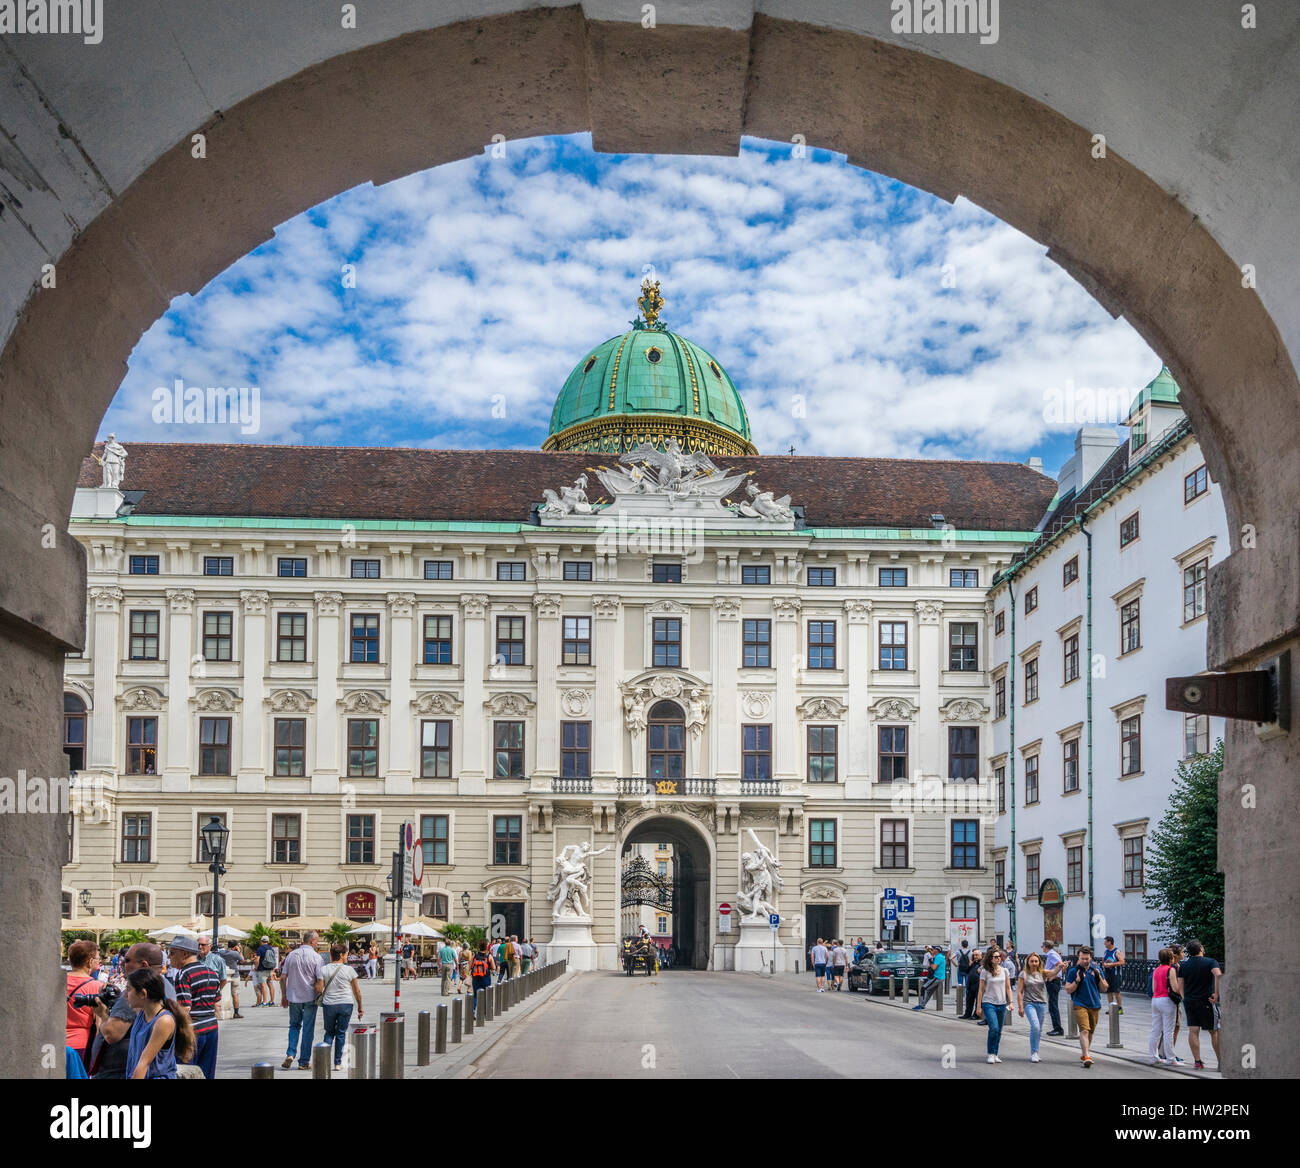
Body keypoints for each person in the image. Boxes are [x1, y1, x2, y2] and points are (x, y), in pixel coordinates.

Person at [89, 942, 177, 1078]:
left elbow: (113, 1035)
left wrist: (102, 1015)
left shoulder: (162, 1020)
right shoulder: (145, 1009)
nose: (123, 963)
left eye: (128, 960)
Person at [125, 968, 195, 1079]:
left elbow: (144, 1062)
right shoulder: (142, 1012)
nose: (125, 995)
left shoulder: (164, 1021)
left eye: (128, 989)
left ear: (143, 994)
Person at [170, 934, 222, 1079]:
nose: (169, 957)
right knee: (206, 1073)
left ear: (185, 954)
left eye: (172, 953)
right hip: (211, 1028)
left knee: (187, 1072)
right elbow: (217, 1004)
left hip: (193, 1030)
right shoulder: (211, 972)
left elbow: (185, 1008)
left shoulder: (183, 974)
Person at [280, 930, 325, 1070]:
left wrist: (284, 995)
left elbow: (282, 977)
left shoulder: (291, 955)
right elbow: (320, 979)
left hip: (293, 997)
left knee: (294, 1026)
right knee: (307, 1029)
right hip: (310, 997)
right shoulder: (317, 958)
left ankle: (290, 1053)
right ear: (312, 941)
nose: (318, 943)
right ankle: (304, 1061)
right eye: (317, 940)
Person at [1178, 939, 1222, 1070]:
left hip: (1190, 1000)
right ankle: (1221, 1062)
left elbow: (1180, 984)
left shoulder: (1184, 965)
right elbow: (1218, 975)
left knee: (1193, 1030)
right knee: (1214, 1031)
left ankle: (1197, 1062)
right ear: (1201, 948)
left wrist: (1184, 997)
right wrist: (1216, 993)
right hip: (1206, 1000)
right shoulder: (1210, 962)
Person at [319, 943, 364, 1071]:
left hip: (329, 1005)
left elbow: (319, 988)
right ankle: (337, 1063)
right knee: (340, 1033)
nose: (347, 957)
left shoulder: (324, 969)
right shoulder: (349, 970)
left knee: (329, 1032)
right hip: (346, 1004)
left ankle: (324, 1061)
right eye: (346, 954)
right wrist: (360, 1007)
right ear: (341, 955)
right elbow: (357, 992)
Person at [1063, 945, 1109, 1068]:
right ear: (1079, 957)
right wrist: (1077, 980)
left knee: (1090, 1032)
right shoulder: (1074, 971)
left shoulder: (1096, 970)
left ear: (1091, 958)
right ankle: (1087, 1055)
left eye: (1087, 958)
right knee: (1084, 1030)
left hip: (1095, 1004)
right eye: (1082, 958)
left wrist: (1099, 977)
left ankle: (1084, 1053)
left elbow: (1104, 988)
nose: (1085, 961)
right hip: (1079, 1004)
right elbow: (1068, 989)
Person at [65, 939, 103, 1071]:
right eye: (98, 959)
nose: (99, 962)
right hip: (80, 1044)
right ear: (90, 961)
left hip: (54, 1040)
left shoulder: (58, 982)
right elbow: (99, 1025)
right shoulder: (96, 987)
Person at [975, 948, 1013, 1064]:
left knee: (999, 1030)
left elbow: (1008, 987)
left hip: (1001, 1003)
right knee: (994, 1028)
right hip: (988, 1002)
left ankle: (996, 1053)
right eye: (996, 957)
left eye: (999, 956)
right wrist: (979, 1006)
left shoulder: (1005, 971)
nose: (998, 958)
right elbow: (981, 990)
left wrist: (1011, 1002)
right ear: (991, 959)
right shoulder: (985, 972)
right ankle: (990, 1053)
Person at [1016, 951, 1054, 1062]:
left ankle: (1036, 1052)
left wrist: (1060, 966)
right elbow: (1019, 992)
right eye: (1032, 961)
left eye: (1036, 961)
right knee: (1035, 1026)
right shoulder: (1023, 974)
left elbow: (1053, 972)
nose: (1034, 963)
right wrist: (1020, 1007)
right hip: (1029, 1003)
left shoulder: (1042, 973)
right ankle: (1033, 1053)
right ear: (1028, 962)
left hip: (1041, 1003)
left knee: (1039, 1029)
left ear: (1039, 962)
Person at [1148, 948, 1182, 1066]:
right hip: (1166, 1000)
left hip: (1155, 999)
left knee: (1155, 1030)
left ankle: (1153, 1057)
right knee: (1168, 1031)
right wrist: (1181, 991)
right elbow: (1174, 987)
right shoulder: (1170, 970)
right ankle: (1170, 1058)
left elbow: (1153, 988)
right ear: (1171, 958)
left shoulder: (1156, 970)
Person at [1160, 944, 1187, 1064]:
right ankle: (1170, 1054)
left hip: (1161, 998)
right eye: (1182, 952)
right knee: (1174, 1027)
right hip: (1172, 1000)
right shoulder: (1175, 967)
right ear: (1175, 955)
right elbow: (1176, 986)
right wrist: (1182, 995)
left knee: (1163, 1029)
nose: (1184, 954)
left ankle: (1160, 1052)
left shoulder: (1164, 966)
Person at [195, 935, 230, 1019]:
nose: (200, 947)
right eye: (198, 944)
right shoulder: (193, 959)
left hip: (212, 998)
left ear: (210, 946)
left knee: (212, 1023)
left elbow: (223, 979)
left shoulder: (218, 960)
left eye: (203, 945)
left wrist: (216, 991)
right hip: (195, 998)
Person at [1042, 941, 1065, 1035]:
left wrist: (1054, 976)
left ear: (1045, 947)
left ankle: (1058, 1028)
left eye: (1042, 946)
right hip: (1054, 981)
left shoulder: (1051, 954)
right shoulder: (1053, 953)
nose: (1042, 948)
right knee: (1052, 1004)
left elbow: (1060, 964)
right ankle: (1056, 1027)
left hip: (1053, 982)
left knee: (1053, 1005)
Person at [217, 939, 244, 1018]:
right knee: (235, 994)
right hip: (235, 976)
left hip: (224, 976)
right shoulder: (235, 953)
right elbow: (242, 961)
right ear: (235, 946)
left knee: (223, 993)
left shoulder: (221, 953)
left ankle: (221, 1010)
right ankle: (236, 1013)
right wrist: (240, 951)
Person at [915, 945, 947, 1010]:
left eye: (933, 949)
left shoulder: (938, 957)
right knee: (929, 991)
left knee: (924, 988)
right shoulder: (941, 956)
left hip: (937, 977)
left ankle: (921, 1005)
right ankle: (922, 1005)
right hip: (940, 977)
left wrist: (930, 961)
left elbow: (934, 967)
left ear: (936, 950)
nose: (932, 950)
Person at [1101, 936, 1125, 1013]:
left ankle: (1119, 1008)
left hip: (1115, 974)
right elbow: (1103, 960)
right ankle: (1111, 1008)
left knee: (1116, 991)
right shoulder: (1105, 951)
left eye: (1105, 942)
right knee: (1109, 991)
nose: (1104, 944)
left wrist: (1111, 965)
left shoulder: (1117, 951)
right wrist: (1104, 966)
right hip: (1107, 974)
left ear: (1109, 942)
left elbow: (1122, 962)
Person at [253, 935, 279, 1006]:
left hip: (262, 970)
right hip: (270, 969)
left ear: (261, 941)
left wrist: (256, 967)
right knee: (270, 984)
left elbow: (257, 960)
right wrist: (273, 970)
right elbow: (274, 959)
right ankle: (272, 1001)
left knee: (263, 985)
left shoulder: (260, 949)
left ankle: (264, 1002)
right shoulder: (271, 949)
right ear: (268, 941)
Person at [470, 940, 494, 1010]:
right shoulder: (488, 956)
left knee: (475, 995)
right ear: (486, 947)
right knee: (487, 995)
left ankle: (473, 1011)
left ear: (479, 947)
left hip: (475, 978)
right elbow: (494, 967)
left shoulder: (475, 956)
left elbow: (470, 965)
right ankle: (486, 1012)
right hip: (486, 978)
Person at [962, 949, 983, 1019]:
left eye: (977, 955)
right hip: (971, 984)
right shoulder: (973, 963)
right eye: (974, 955)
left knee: (978, 1000)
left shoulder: (982, 963)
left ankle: (976, 1015)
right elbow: (966, 971)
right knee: (969, 1000)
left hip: (978, 984)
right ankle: (967, 1013)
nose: (975, 956)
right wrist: (970, 964)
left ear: (980, 955)